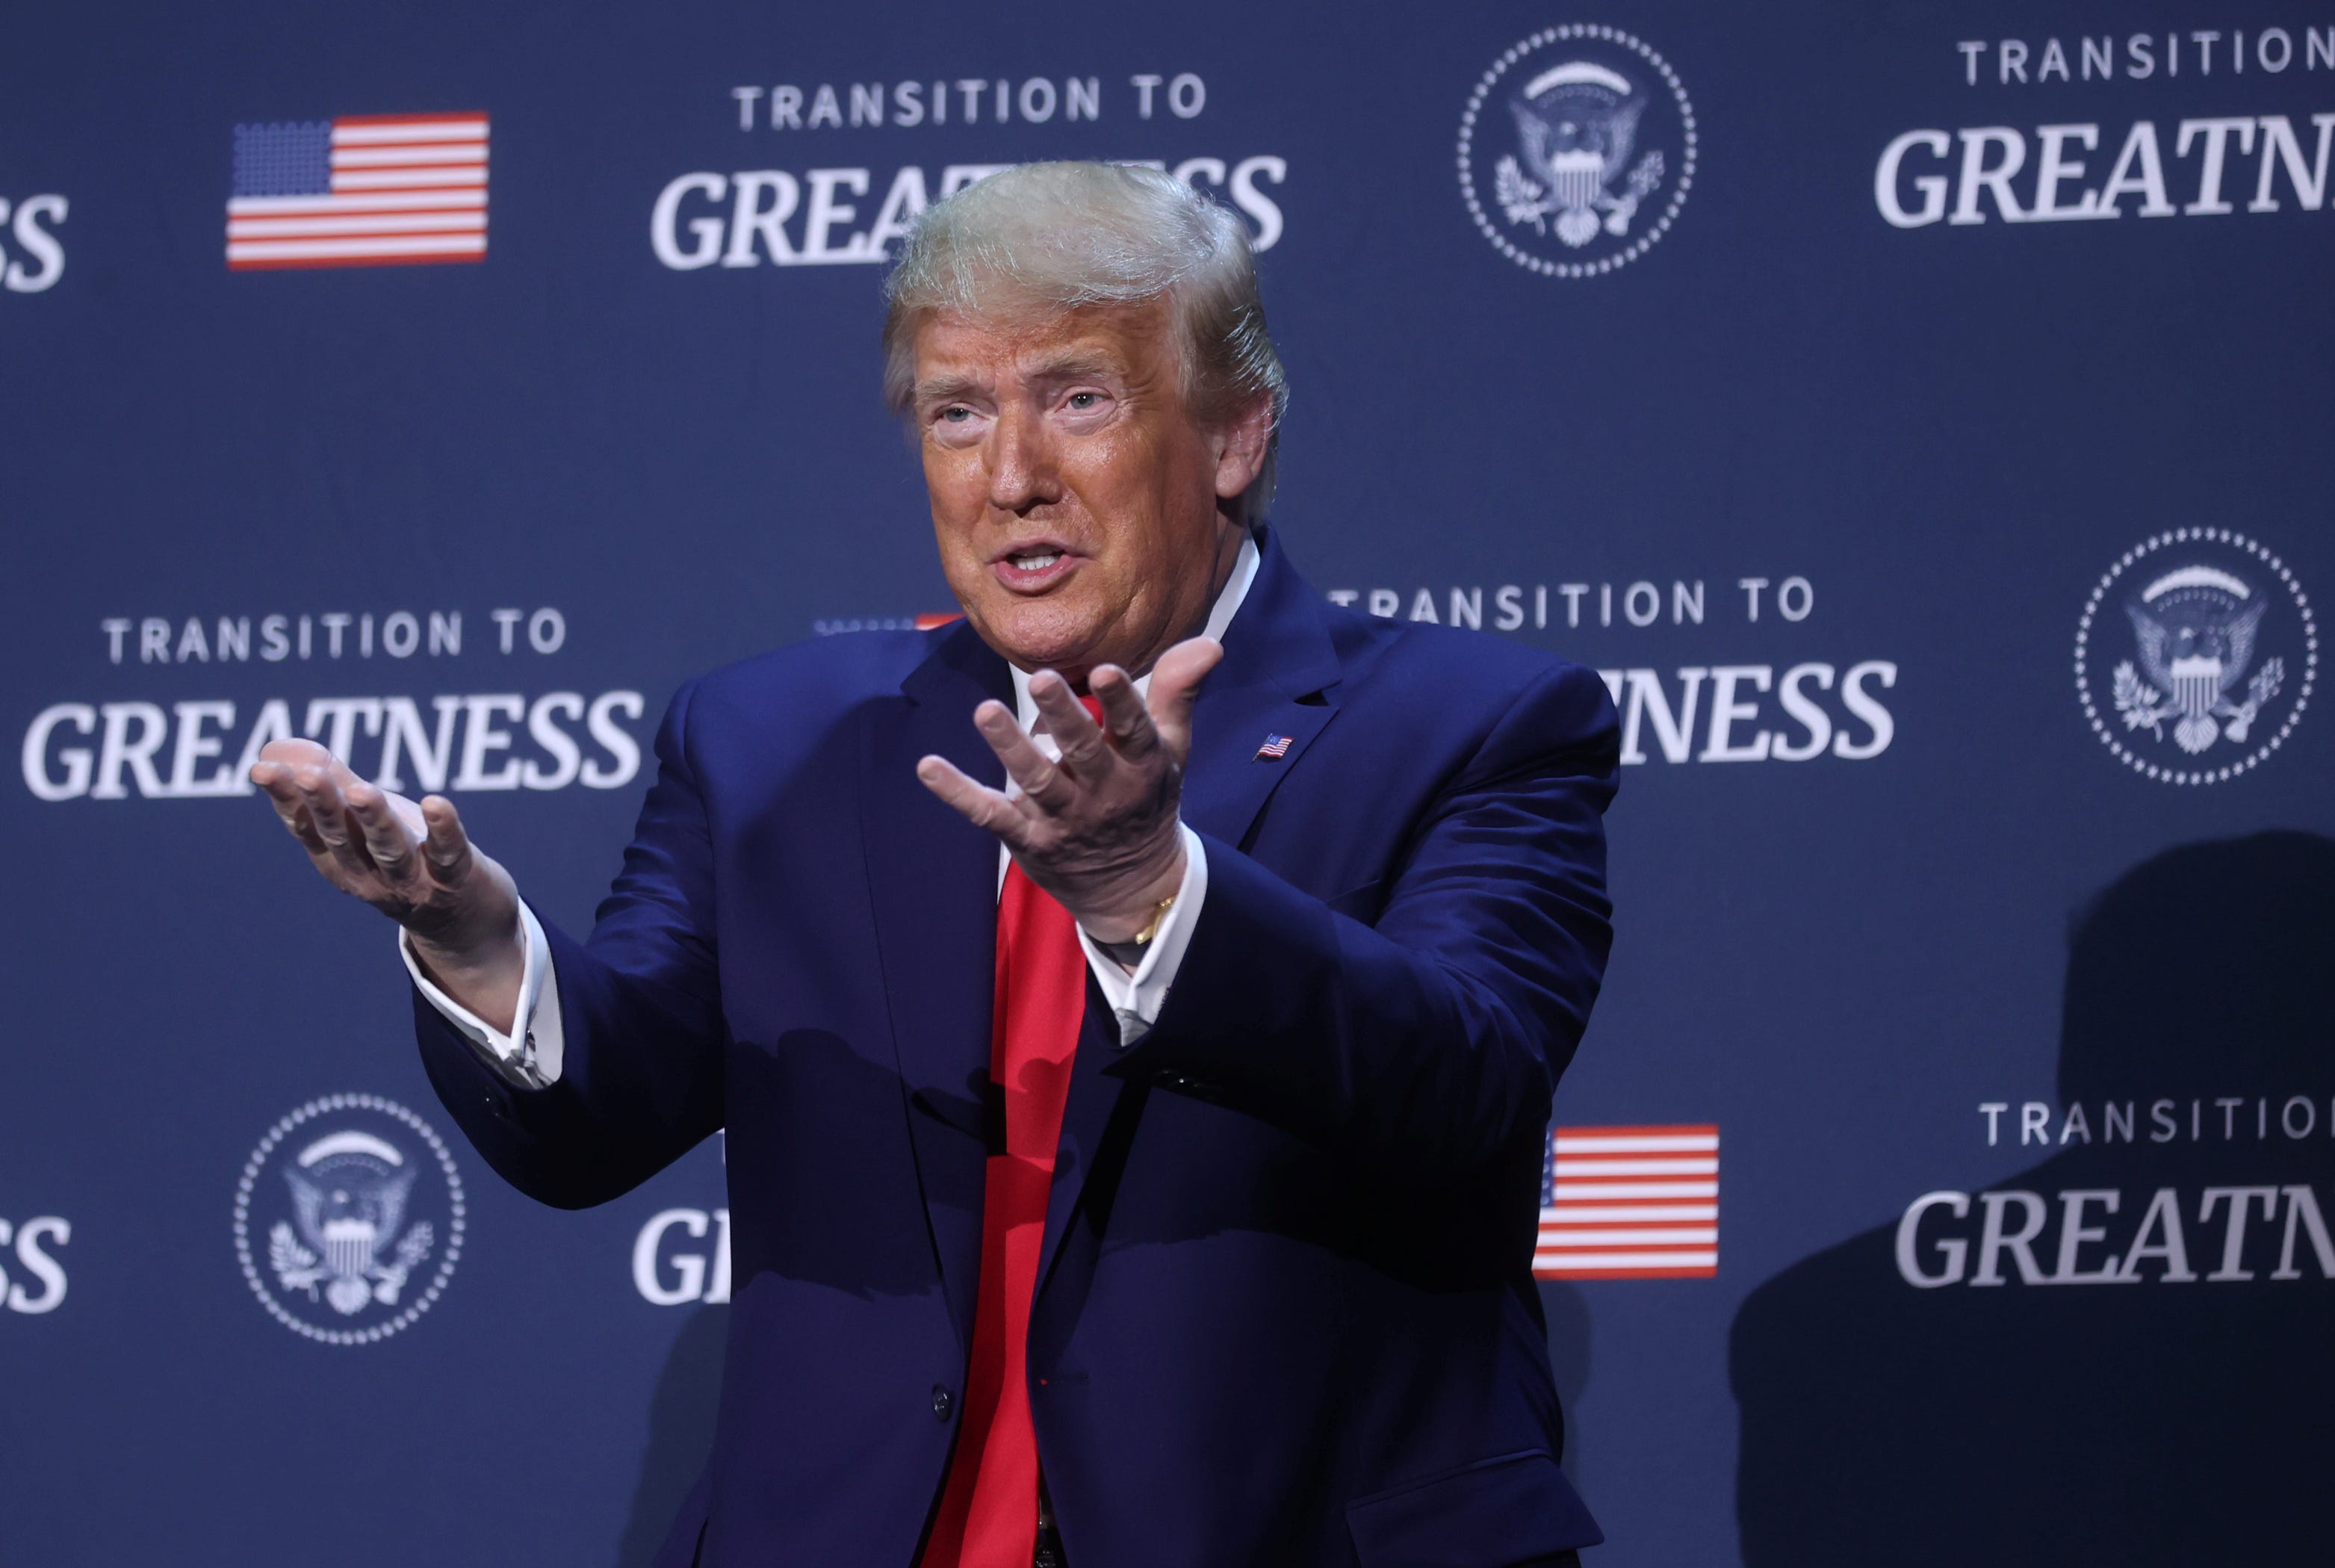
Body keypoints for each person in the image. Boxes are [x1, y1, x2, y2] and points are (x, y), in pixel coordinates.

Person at [250, 161, 1620, 1568]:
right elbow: (607, 1112)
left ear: (1233, 434)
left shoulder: (1473, 722)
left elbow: (1468, 1078)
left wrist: (1150, 890)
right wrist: (475, 941)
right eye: (957, 413)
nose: (1009, 476)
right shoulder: (768, 738)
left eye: (1078, 398)